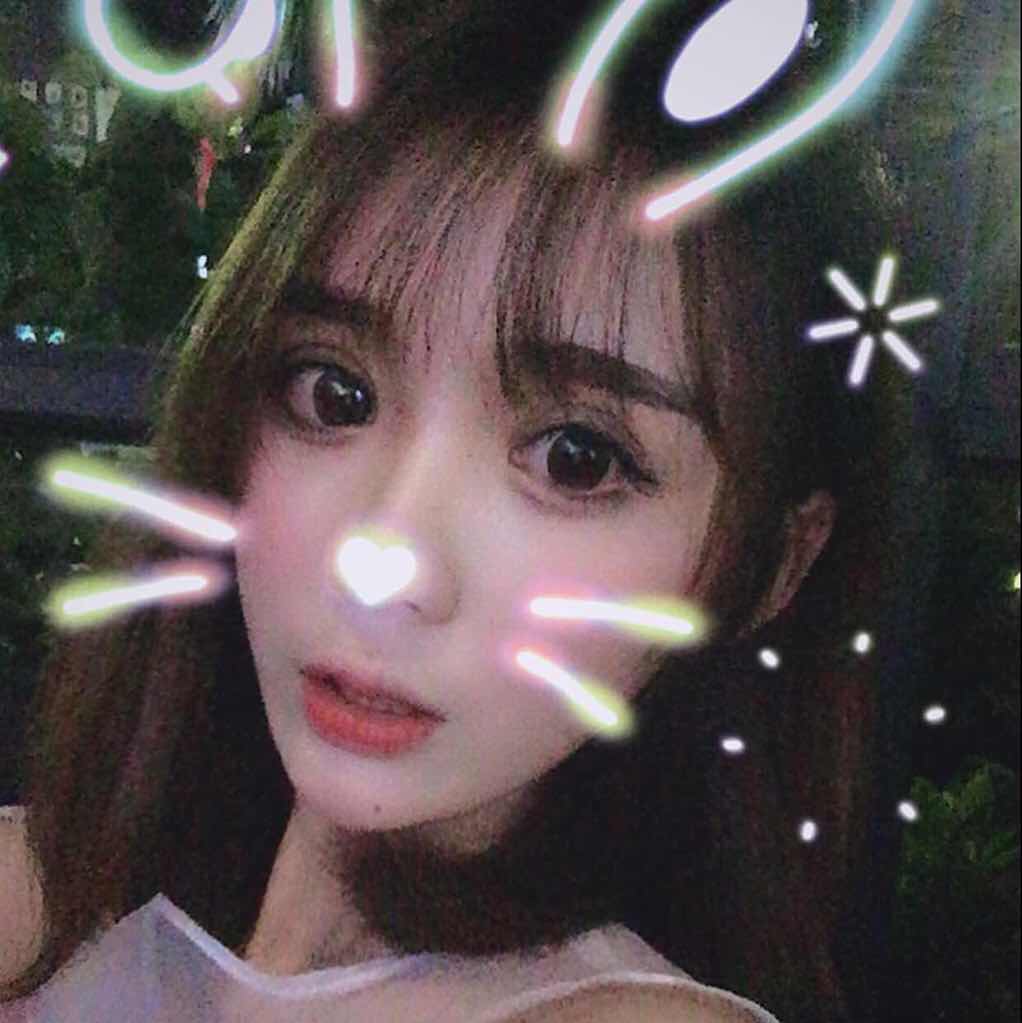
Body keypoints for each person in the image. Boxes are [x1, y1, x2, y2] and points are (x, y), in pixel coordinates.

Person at [1, 2, 909, 1019]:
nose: (380, 563)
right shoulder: (58, 893)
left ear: (771, 567)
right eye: (333, 394)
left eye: (576, 460)